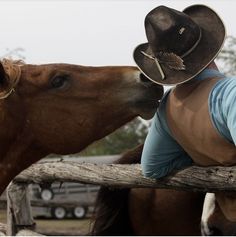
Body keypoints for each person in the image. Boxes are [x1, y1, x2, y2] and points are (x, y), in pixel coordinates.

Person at [133, 5, 236, 222]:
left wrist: (200, 155)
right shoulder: (231, 92)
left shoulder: (168, 106)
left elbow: (152, 168)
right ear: (210, 43)